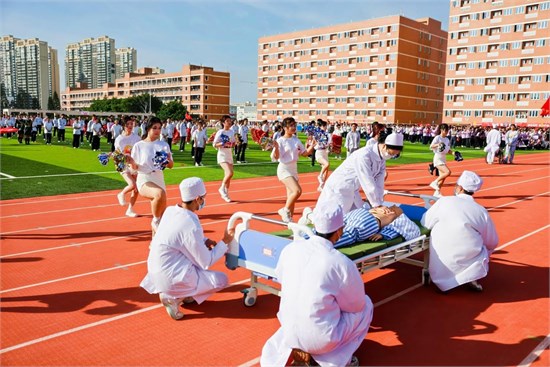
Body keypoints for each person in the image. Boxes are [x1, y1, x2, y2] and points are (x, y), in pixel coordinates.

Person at [261, 202, 373, 367]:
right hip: (322, 340)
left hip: (289, 331)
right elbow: (356, 305)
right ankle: (335, 361)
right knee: (366, 306)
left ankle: (300, 349)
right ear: (340, 231)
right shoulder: (340, 263)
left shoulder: (290, 249)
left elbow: (281, 278)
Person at [140, 177, 235, 320]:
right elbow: (205, 262)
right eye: (203, 198)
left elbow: (180, 236)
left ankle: (184, 292)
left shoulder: (170, 211)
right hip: (170, 278)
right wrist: (225, 242)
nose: (204, 201)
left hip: (155, 272)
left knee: (193, 260)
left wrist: (204, 240)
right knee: (222, 279)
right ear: (197, 199)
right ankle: (175, 297)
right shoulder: (191, 223)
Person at [421, 171, 499, 292]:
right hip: (467, 257)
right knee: (485, 246)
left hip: (440, 266)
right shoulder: (480, 210)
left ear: (460, 187)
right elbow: (492, 241)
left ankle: (448, 279)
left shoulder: (444, 201)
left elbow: (425, 222)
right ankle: (471, 276)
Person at [301, 132, 404, 222]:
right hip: (339, 188)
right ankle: (309, 215)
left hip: (352, 191)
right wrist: (377, 205)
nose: (390, 156)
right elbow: (367, 180)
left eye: (394, 155)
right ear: (384, 146)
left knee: (359, 216)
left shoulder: (381, 159)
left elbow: (379, 183)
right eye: (391, 153)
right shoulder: (364, 155)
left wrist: (380, 203)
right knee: (330, 221)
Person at [128, 116, 174, 234]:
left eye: (159, 128)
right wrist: (131, 162)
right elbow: (134, 168)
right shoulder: (139, 145)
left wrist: (168, 161)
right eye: (154, 128)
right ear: (148, 129)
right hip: (144, 178)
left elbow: (170, 165)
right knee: (159, 195)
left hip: (159, 178)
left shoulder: (164, 145)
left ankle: (154, 244)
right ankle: (155, 220)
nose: (157, 131)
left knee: (162, 215)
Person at [271, 117, 315, 223]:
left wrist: (312, 146)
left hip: (294, 169)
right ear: (285, 128)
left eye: (294, 125)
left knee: (291, 198)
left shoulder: (296, 139)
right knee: (297, 191)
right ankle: (284, 210)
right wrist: (276, 148)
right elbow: (276, 157)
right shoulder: (280, 141)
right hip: (284, 169)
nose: (294, 127)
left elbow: (304, 153)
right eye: (291, 125)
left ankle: (289, 223)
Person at [115, 117, 142, 217]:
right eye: (128, 124)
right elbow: (119, 154)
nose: (130, 126)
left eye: (132, 124)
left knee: (136, 189)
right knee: (132, 184)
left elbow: (139, 150)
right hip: (122, 164)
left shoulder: (137, 138)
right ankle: (121, 194)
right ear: (123, 126)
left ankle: (130, 209)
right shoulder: (119, 139)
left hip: (133, 164)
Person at [213, 115, 235, 202]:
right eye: (227, 121)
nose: (229, 122)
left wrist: (234, 143)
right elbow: (214, 144)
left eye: (230, 121)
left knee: (230, 175)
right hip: (222, 154)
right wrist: (222, 143)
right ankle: (221, 188)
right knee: (229, 173)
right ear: (223, 123)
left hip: (229, 154)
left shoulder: (232, 132)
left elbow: (233, 143)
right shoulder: (220, 132)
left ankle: (226, 194)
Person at [428, 123, 452, 198]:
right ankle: (434, 182)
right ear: (441, 130)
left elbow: (448, 150)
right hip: (438, 157)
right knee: (448, 172)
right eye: (445, 130)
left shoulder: (447, 139)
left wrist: (455, 153)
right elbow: (431, 146)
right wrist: (438, 144)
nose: (447, 132)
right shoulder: (437, 138)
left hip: (443, 158)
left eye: (447, 130)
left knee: (443, 177)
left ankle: (437, 192)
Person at [314, 120, 331, 192]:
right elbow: (315, 141)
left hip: (325, 152)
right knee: (326, 164)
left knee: (326, 170)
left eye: (325, 126)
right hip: (319, 152)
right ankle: (320, 176)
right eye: (323, 126)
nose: (325, 127)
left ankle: (321, 185)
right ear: (320, 126)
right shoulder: (317, 133)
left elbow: (329, 143)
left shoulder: (328, 134)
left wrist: (330, 147)